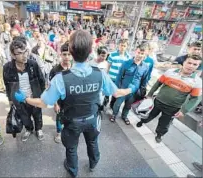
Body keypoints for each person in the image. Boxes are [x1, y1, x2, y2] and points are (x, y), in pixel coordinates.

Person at [12, 30, 131, 177]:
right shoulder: (100, 74)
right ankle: (94, 163)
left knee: (71, 148)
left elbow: (44, 103)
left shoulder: (61, 79)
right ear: (90, 51)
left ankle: (73, 170)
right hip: (93, 119)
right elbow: (116, 93)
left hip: (71, 122)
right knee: (93, 143)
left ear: (71, 51)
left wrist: (25, 99)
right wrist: (130, 89)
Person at [136, 55, 202, 143]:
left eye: (195, 64)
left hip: (173, 108)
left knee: (165, 123)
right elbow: (158, 83)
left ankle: (159, 134)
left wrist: (184, 111)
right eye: (189, 63)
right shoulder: (170, 72)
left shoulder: (197, 82)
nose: (191, 66)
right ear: (184, 62)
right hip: (158, 101)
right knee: (149, 115)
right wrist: (150, 94)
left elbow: (195, 99)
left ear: (198, 66)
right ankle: (143, 121)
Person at [3, 37, 45, 141]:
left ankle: (38, 129)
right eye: (20, 53)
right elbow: (7, 85)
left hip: (34, 96)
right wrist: (10, 100)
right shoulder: (7, 68)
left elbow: (41, 80)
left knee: (37, 114)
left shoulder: (33, 64)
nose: (25, 55)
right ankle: (29, 129)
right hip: (19, 99)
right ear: (13, 55)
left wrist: (43, 95)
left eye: (26, 51)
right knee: (24, 116)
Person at [110, 44, 150, 124]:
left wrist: (142, 91)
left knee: (128, 106)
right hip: (123, 89)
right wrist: (117, 89)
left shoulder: (145, 67)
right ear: (135, 52)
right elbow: (119, 76)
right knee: (117, 104)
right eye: (138, 52)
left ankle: (124, 116)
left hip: (133, 92)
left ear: (145, 55)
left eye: (142, 54)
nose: (139, 55)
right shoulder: (126, 63)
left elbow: (144, 80)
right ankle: (114, 115)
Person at [48, 42, 72, 143]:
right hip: (59, 100)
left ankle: (70, 132)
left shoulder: (75, 68)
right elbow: (51, 88)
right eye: (64, 54)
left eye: (69, 54)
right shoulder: (55, 70)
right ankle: (58, 133)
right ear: (61, 55)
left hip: (72, 99)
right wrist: (55, 103)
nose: (67, 57)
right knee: (59, 117)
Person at [105, 39, 130, 111]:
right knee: (107, 92)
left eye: (124, 46)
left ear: (126, 47)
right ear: (118, 45)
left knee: (115, 94)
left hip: (119, 80)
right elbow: (108, 66)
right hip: (110, 78)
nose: (122, 47)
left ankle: (112, 105)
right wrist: (106, 76)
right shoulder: (112, 55)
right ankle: (104, 104)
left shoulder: (128, 57)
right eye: (121, 45)